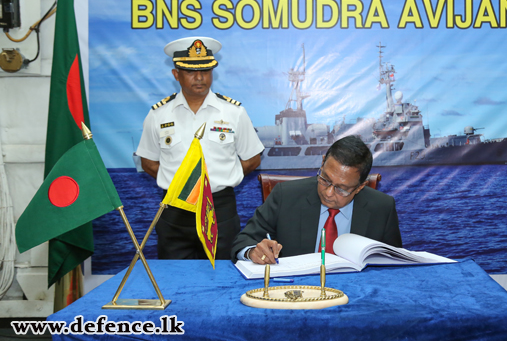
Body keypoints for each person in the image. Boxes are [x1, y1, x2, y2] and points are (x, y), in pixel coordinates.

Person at [136, 37, 264, 260]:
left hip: (220, 210)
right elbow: (148, 161)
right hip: (175, 212)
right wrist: (182, 185)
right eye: (190, 72)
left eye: (206, 71)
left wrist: (225, 177)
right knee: (175, 281)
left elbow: (253, 158)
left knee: (223, 279)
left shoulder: (233, 112)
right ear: (176, 74)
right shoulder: (158, 114)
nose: (200, 77)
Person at [231, 135, 401, 264]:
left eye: (342, 189)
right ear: (322, 163)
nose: (328, 193)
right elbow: (243, 241)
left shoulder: (382, 207)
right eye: (325, 179)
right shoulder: (286, 195)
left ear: (360, 187)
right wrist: (252, 251)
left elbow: (394, 262)